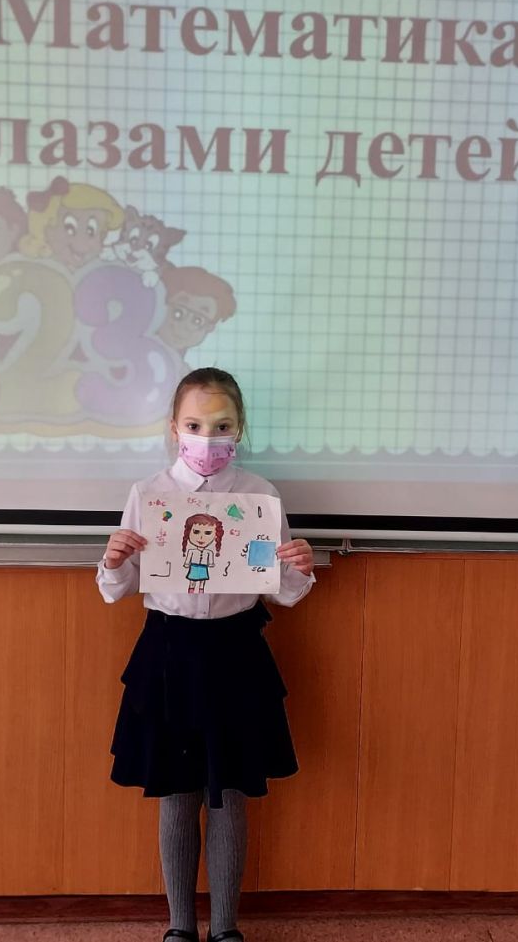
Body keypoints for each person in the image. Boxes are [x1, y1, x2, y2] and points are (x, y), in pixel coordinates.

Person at [97, 367, 315, 942]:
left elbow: (282, 590)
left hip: (236, 653)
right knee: (176, 795)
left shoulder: (259, 496)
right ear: (174, 428)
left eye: (221, 426)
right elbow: (117, 588)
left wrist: (299, 569)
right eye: (194, 425)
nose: (207, 437)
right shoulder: (149, 494)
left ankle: (225, 929)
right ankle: (179, 928)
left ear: (239, 428)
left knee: (230, 795)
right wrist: (114, 560)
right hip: (168, 653)